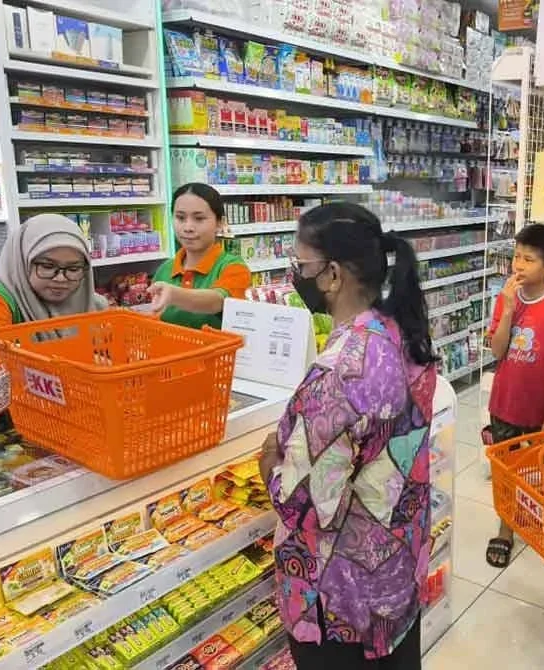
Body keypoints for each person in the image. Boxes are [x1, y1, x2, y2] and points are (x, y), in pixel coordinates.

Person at [257, 202, 437, 670]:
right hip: (394, 570)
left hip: (340, 596)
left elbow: (309, 504)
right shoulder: (398, 330)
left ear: (332, 275)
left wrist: (271, 463)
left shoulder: (339, 372)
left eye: (300, 264)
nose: (296, 274)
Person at [484, 223, 544, 569]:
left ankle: (537, 517)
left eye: (529, 259)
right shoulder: (505, 299)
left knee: (540, 468)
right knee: (507, 470)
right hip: (505, 402)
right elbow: (497, 350)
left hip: (540, 410)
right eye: (516, 256)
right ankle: (505, 529)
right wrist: (507, 310)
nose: (519, 265)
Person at [0, 213, 107, 407]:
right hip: (4, 415)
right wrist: (67, 355)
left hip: (74, 408)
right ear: (22, 260)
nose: (61, 279)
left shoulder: (91, 302)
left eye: (73, 269)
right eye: (47, 266)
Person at [149, 183, 251, 328]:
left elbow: (217, 301)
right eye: (180, 218)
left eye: (199, 218)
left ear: (220, 223)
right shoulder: (165, 269)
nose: (188, 228)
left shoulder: (234, 267)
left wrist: (174, 295)